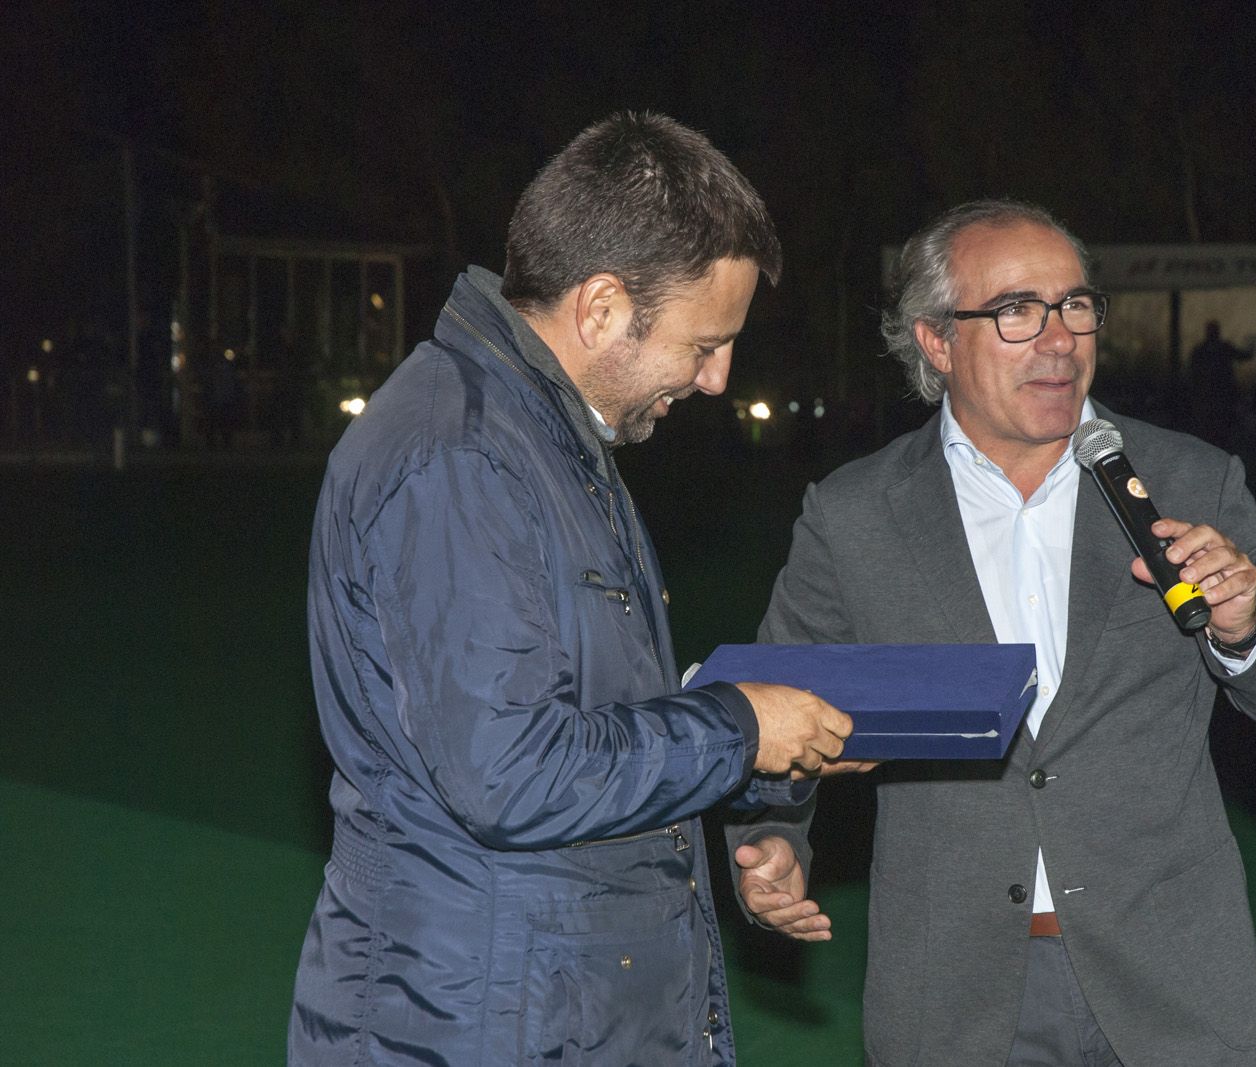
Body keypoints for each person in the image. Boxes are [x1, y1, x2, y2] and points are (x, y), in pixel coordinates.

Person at [288, 112, 864, 1066]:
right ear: (600, 307)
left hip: (537, 1005)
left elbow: (583, 715)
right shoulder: (461, 455)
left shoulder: (543, 436)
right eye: (704, 340)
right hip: (476, 1023)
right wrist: (737, 728)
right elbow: (511, 773)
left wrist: (754, 760)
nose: (717, 378)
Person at [730, 200, 1256, 1066]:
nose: (1060, 339)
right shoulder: (855, 515)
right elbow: (774, 710)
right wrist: (772, 847)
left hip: (1172, 988)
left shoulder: (1185, 478)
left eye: (1076, 306)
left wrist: (1245, 625)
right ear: (936, 341)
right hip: (956, 994)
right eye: (1017, 310)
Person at [1188, 318, 1254, 449]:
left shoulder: (1219, 348)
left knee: (1221, 423)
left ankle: (1219, 444)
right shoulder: (1204, 350)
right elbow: (1194, 370)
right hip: (1210, 395)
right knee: (1212, 423)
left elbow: (1242, 356)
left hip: (1221, 394)